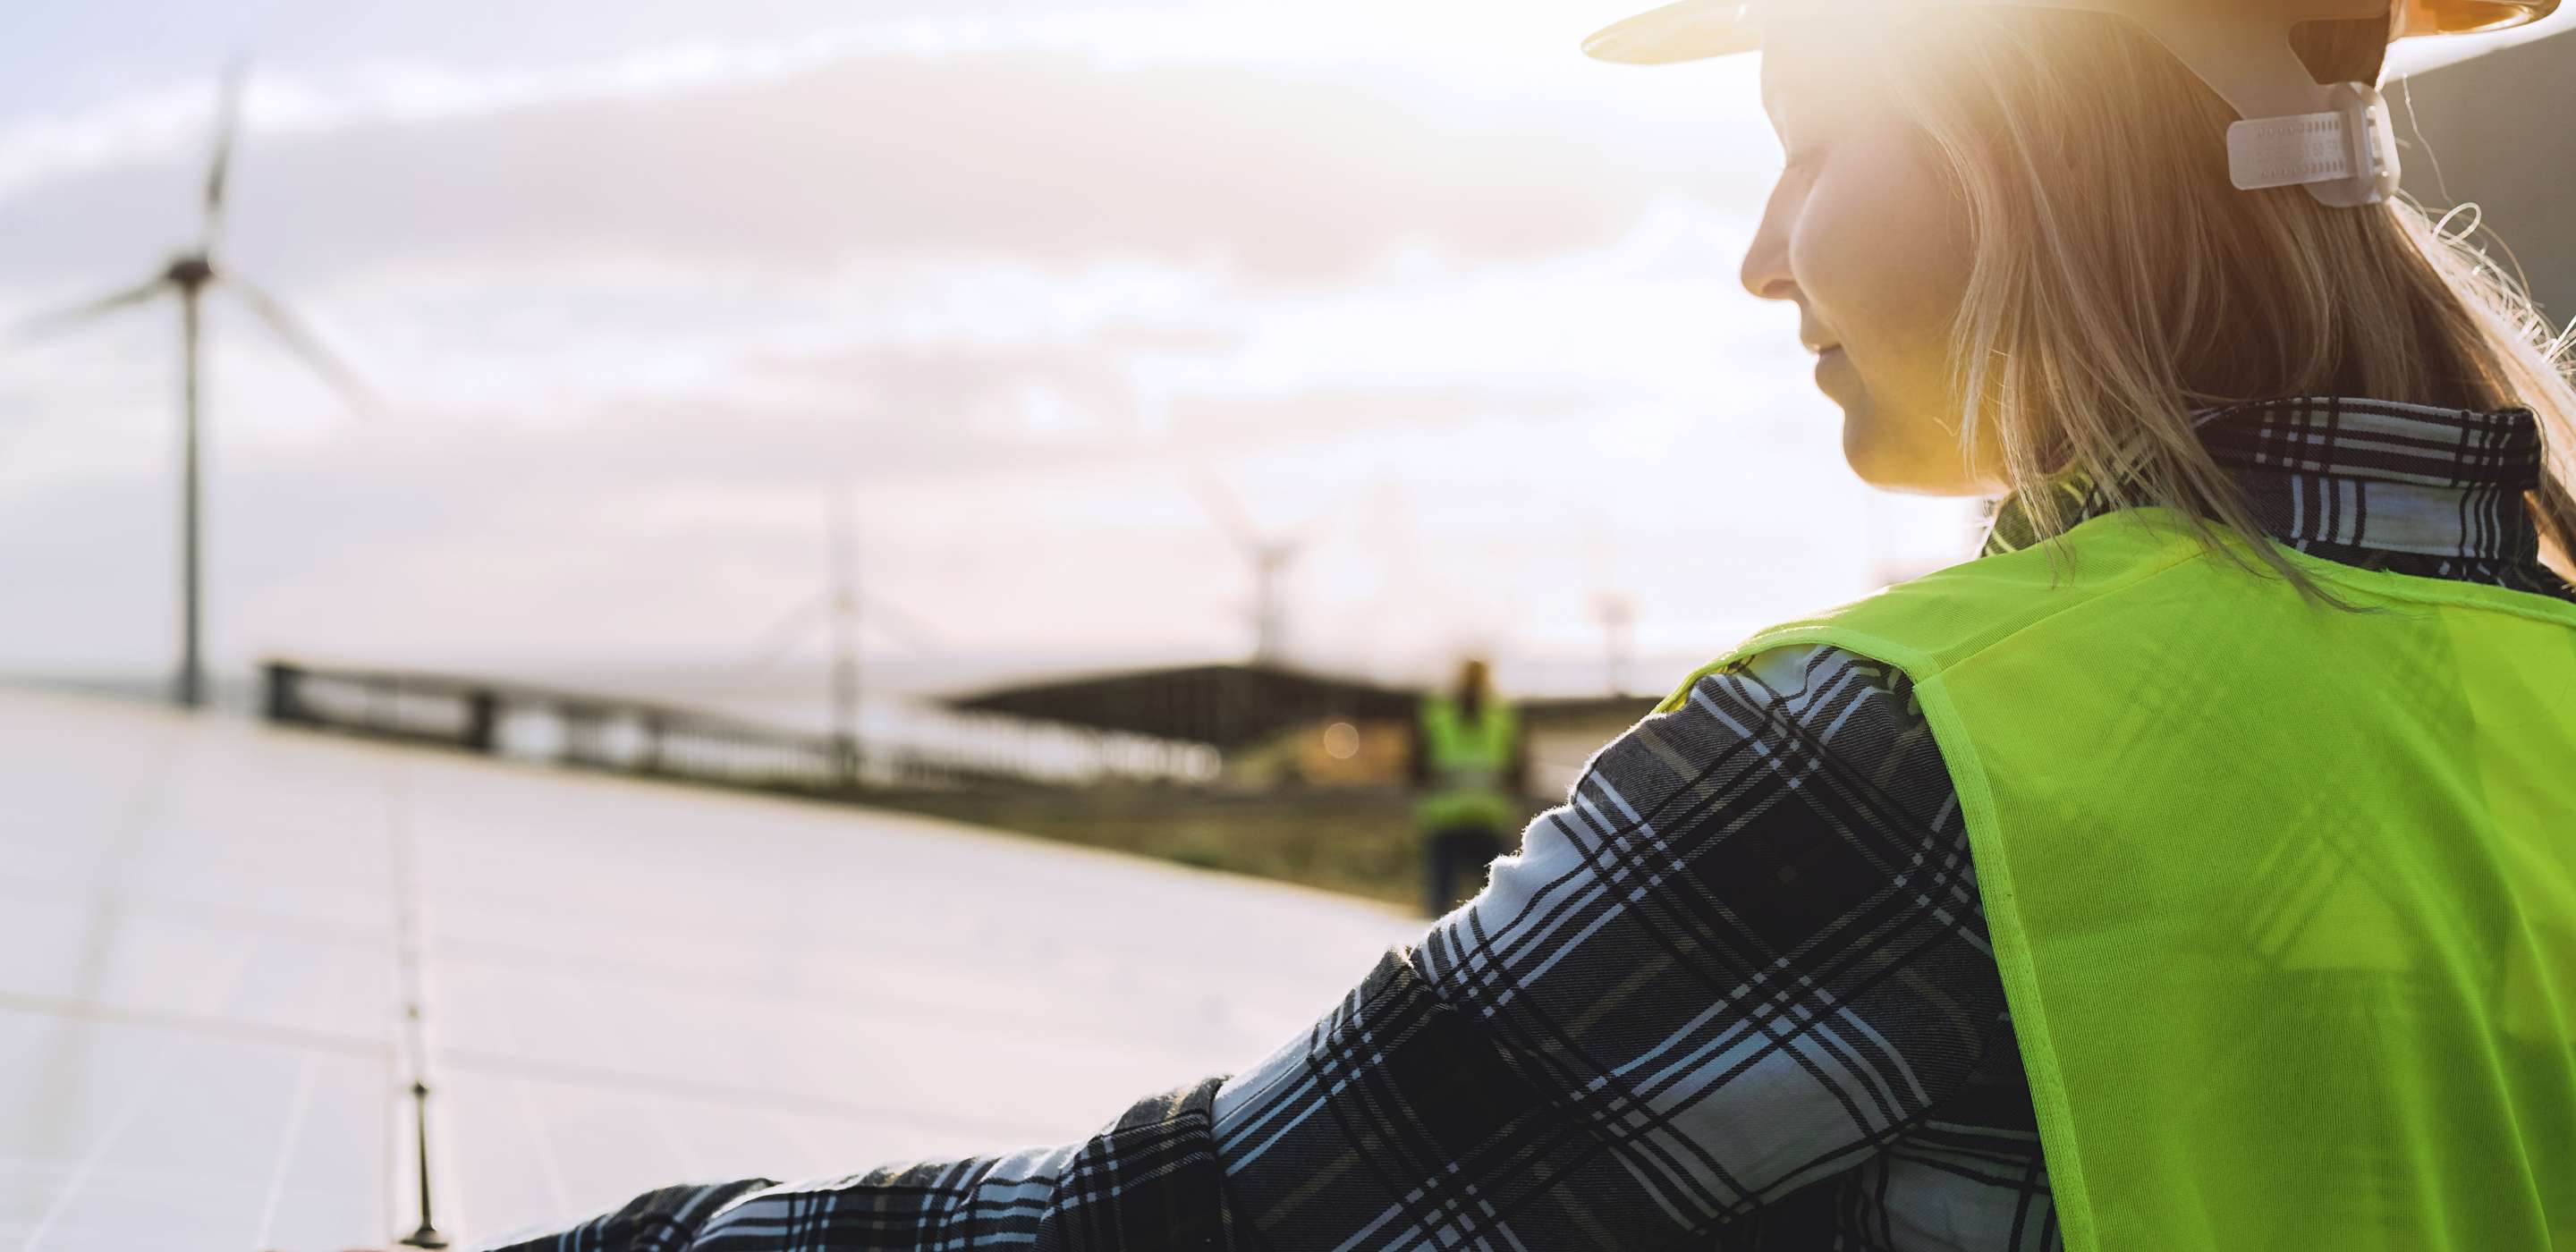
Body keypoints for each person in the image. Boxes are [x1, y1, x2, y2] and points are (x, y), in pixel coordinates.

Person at [482, 1, 2576, 1248]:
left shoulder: (1904, 757)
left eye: (1820, 144)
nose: (1764, 259)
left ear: (2034, 156)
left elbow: (1217, 1232)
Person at [1409, 656, 1529, 917]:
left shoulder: (1440, 714)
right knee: (1494, 904)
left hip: (1465, 819)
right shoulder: (1499, 715)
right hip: (1466, 819)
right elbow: (1519, 772)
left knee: (1486, 902)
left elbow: (1415, 770)